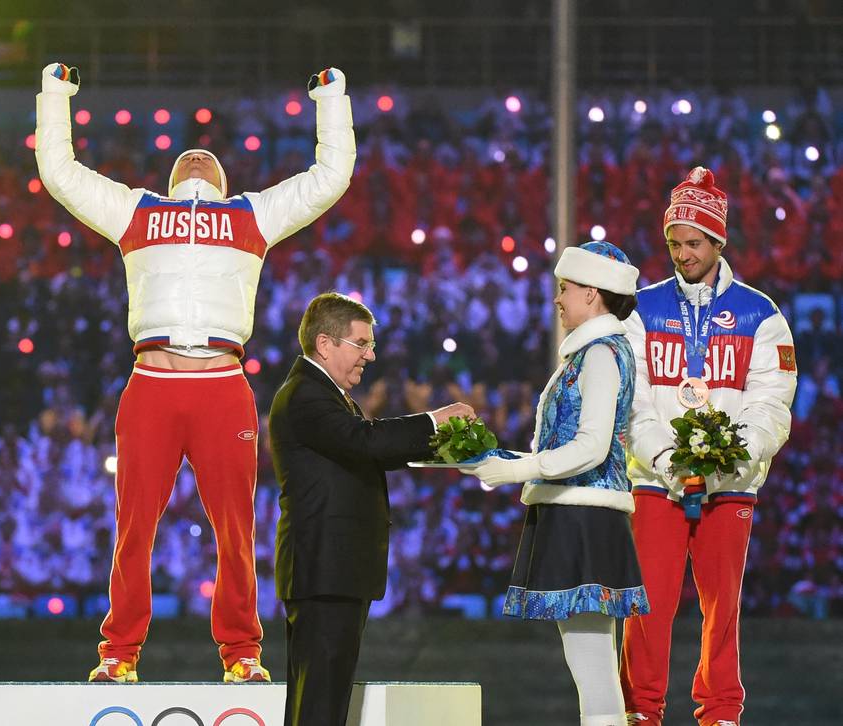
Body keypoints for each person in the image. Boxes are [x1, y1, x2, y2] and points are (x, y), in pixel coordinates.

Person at [35, 62, 356, 683]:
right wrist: (56, 94)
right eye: (189, 155)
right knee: (134, 527)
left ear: (223, 178)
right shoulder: (138, 210)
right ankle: (117, 654)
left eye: (208, 156)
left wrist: (331, 98)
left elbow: (330, 177)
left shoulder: (249, 215)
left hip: (219, 386)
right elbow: (59, 173)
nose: (198, 156)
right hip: (154, 384)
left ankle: (241, 654)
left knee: (237, 530)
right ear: (173, 176)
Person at [619, 167, 797, 726]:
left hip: (731, 482)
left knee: (723, 607)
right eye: (673, 243)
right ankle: (641, 712)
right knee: (648, 605)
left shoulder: (760, 314)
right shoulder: (640, 310)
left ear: (718, 240)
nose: (682, 253)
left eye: (693, 243)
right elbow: (633, 401)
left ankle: (720, 712)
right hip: (656, 480)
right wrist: (669, 459)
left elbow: (772, 402)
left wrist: (728, 457)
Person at [270, 292, 474, 726]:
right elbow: (365, 442)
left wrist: (440, 447)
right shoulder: (307, 395)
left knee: (321, 701)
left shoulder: (325, 394)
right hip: (325, 572)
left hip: (334, 573)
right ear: (326, 344)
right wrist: (433, 421)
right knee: (320, 705)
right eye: (362, 343)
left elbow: (366, 448)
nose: (371, 355)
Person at [473, 241, 650, 726]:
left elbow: (591, 447)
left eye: (565, 288)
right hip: (580, 513)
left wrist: (518, 469)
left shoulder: (599, 355)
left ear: (592, 293)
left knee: (591, 664)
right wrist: (491, 459)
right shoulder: (593, 352)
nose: (558, 298)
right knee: (592, 664)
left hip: (583, 516)